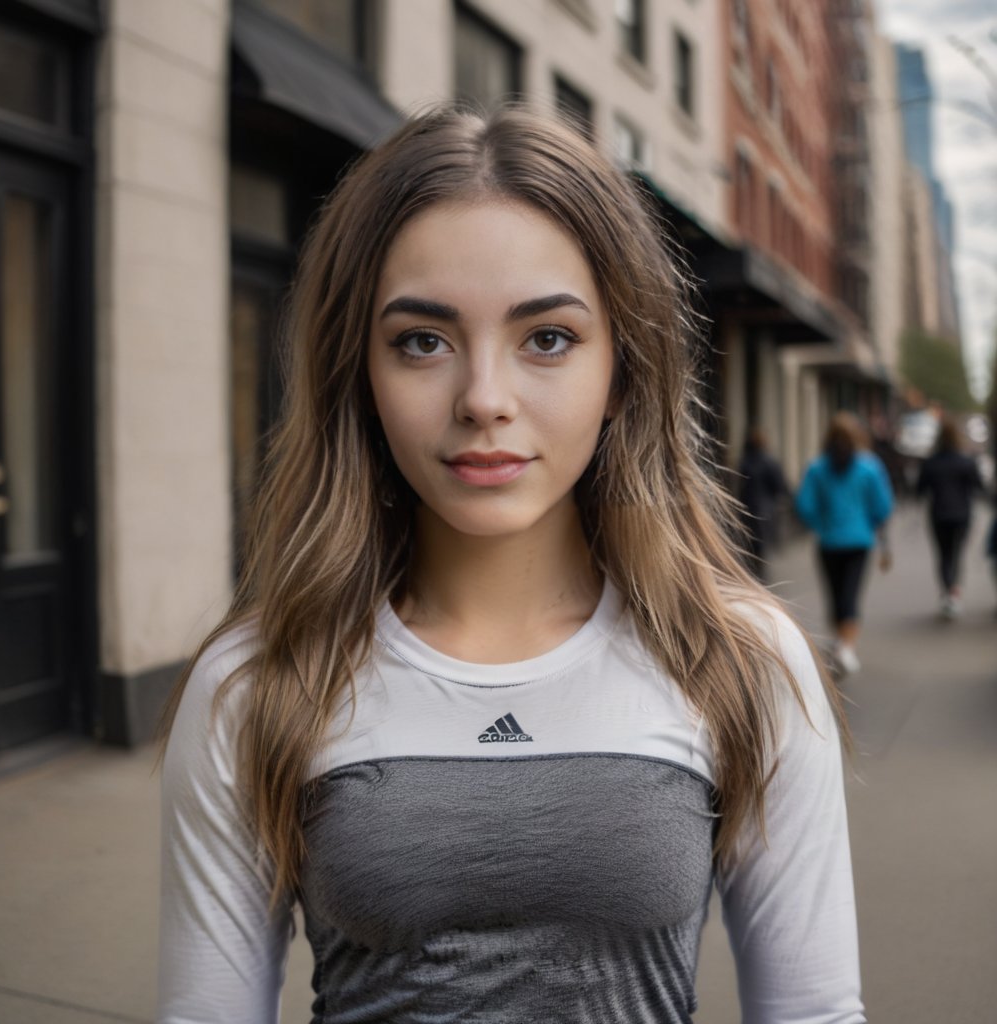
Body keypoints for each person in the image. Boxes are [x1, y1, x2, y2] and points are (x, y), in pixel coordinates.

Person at [157, 106, 865, 1024]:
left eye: (548, 338)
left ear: (623, 371)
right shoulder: (256, 683)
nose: (483, 399)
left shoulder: (743, 660)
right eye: (422, 340)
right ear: (358, 375)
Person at [795, 412, 893, 675]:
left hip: (828, 542)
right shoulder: (869, 467)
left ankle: (841, 643)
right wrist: (869, 523)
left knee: (836, 594)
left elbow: (804, 505)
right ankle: (846, 647)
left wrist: (821, 524)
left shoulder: (817, 467)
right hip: (859, 541)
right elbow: (883, 506)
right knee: (850, 593)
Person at [915, 415, 983, 619]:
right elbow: (979, 486)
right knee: (956, 552)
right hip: (962, 514)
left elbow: (919, 489)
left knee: (944, 554)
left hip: (939, 514)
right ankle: (953, 592)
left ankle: (948, 591)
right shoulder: (966, 462)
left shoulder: (931, 462)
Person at [735, 425, 790, 581]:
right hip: (765, 509)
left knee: (752, 542)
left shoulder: (745, 462)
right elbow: (780, 486)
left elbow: (741, 485)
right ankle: (758, 572)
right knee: (760, 542)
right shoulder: (769, 462)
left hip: (748, 507)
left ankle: (755, 571)